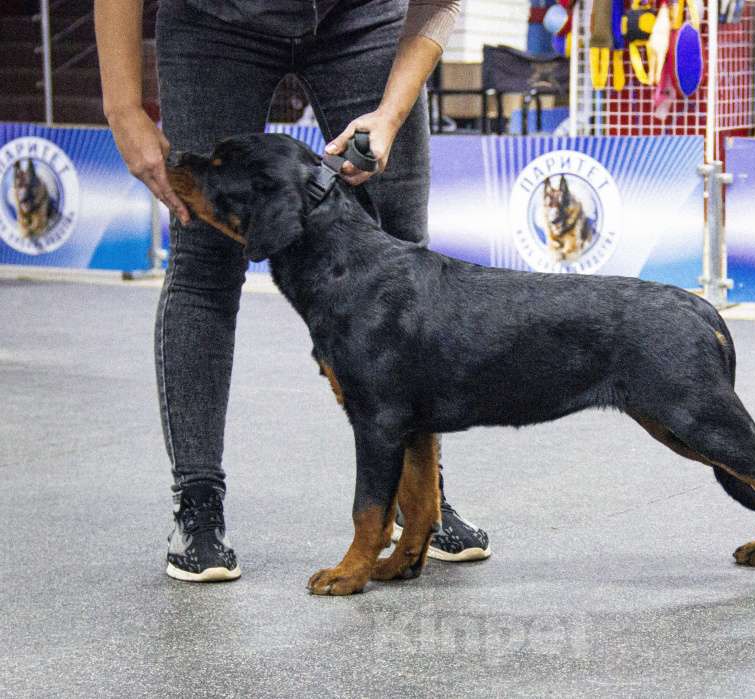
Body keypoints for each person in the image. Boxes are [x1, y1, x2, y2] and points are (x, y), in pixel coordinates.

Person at [94, 0, 491, 582]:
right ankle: (198, 506)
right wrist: (123, 105)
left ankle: (419, 502)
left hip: (363, 17)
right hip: (216, 21)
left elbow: (441, 4)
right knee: (205, 259)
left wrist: (390, 112)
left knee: (401, 248)